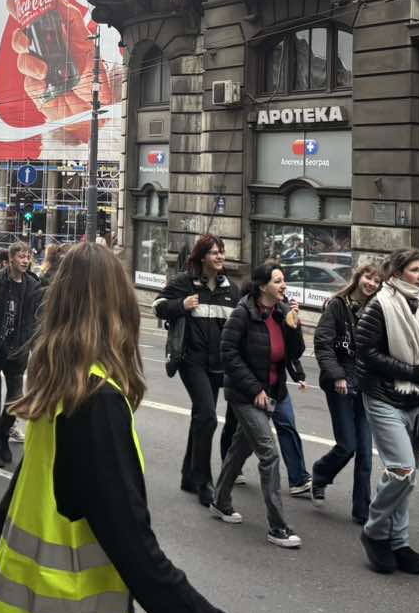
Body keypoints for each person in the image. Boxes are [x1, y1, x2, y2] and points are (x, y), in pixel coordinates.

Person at [0, 242, 250, 613]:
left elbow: (33, 471)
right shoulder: (96, 400)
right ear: (119, 308)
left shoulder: (58, 379)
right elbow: (135, 549)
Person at [209, 259, 305, 550]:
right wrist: (254, 390)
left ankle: (219, 500)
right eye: (278, 281)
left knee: (241, 448)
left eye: (284, 280)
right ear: (263, 286)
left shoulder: (281, 313)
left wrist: (294, 326)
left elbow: (294, 352)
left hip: (272, 392)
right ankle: (277, 526)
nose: (283, 285)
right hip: (245, 395)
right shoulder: (242, 313)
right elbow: (228, 353)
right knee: (269, 454)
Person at [354, 246, 419, 575]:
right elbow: (365, 350)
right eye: (415, 270)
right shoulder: (381, 304)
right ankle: (374, 532)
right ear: (398, 274)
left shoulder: (418, 306)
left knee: (407, 478)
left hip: (411, 398)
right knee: (402, 470)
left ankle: (398, 541)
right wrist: (408, 370)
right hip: (383, 395)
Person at [153, 234, 240, 506]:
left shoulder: (230, 290)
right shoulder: (184, 283)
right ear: (202, 257)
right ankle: (204, 482)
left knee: (202, 416)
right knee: (208, 416)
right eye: (215, 253)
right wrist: (181, 305)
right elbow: (157, 307)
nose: (220, 257)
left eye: (222, 252)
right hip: (191, 361)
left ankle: (188, 476)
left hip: (218, 364)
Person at [310, 260, 380, 524]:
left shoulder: (375, 310)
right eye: (368, 278)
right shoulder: (337, 306)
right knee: (347, 445)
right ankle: (320, 474)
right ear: (358, 277)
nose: (371, 284)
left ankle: (362, 511)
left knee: (365, 451)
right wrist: (337, 375)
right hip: (340, 385)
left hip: (366, 387)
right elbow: (323, 343)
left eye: (377, 281)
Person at [0, 241, 42, 468]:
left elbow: (34, 320)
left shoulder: (32, 285)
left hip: (18, 351)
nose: (25, 260)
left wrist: (29, 346)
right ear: (11, 259)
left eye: (28, 257)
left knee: (15, 400)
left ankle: (3, 436)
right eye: (21, 256)